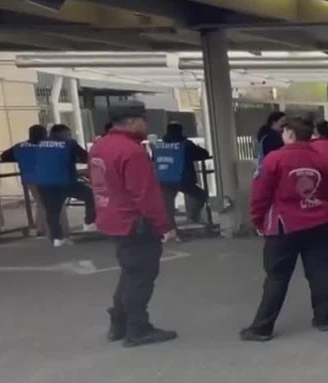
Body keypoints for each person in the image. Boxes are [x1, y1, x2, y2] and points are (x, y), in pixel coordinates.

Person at [241, 116, 328, 341]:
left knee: (277, 277)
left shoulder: (274, 159)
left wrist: (257, 221)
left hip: (284, 226)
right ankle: (323, 318)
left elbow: (260, 195)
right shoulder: (322, 160)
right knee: (319, 270)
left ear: (290, 134)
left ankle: (262, 328)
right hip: (320, 222)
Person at [88, 105, 178, 347]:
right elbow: (145, 194)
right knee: (140, 276)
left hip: (111, 217)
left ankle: (119, 322)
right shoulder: (131, 151)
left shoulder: (99, 146)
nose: (146, 125)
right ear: (131, 122)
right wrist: (164, 226)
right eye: (143, 120)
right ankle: (138, 329)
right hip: (135, 222)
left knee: (130, 272)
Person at [32, 124, 98, 246]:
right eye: (68, 134)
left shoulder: (40, 144)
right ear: (62, 133)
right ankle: (89, 222)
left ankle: (58, 238)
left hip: (44, 183)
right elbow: (86, 157)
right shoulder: (69, 143)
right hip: (65, 181)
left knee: (52, 211)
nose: (69, 136)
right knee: (91, 195)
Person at [151, 122, 211, 231]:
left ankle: (171, 230)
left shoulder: (158, 145)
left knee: (168, 207)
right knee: (201, 195)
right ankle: (193, 216)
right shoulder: (185, 145)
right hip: (182, 179)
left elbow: (154, 160)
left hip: (163, 179)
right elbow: (203, 154)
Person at [0, 125, 48, 237]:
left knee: (41, 202)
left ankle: (41, 227)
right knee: (44, 203)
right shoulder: (46, 146)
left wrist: (20, 158)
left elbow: (4, 156)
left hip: (29, 178)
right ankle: (41, 229)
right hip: (45, 177)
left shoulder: (20, 146)